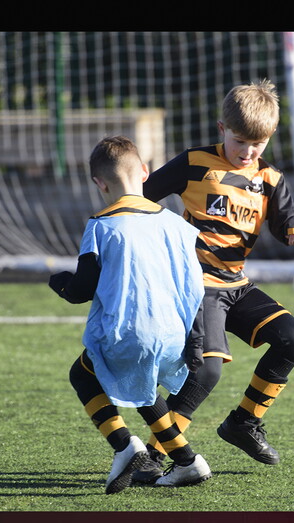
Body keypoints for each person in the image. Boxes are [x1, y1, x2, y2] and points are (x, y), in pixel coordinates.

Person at [133, 80, 294, 481]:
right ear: (221, 129)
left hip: (237, 285)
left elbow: (286, 222)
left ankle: (243, 423)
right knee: (207, 372)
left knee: (293, 339)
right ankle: (156, 457)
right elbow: (142, 196)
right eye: (240, 141)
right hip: (197, 285)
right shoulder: (195, 163)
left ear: (269, 137)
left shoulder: (270, 179)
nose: (248, 152)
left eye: (257, 143)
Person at [49, 135, 211, 493]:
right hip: (175, 335)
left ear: (99, 183)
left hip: (129, 335)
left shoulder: (101, 225)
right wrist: (196, 338)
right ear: (144, 172)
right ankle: (187, 461)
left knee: (82, 375)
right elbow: (194, 286)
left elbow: (81, 291)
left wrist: (57, 281)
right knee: (143, 384)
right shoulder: (176, 225)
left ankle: (124, 446)